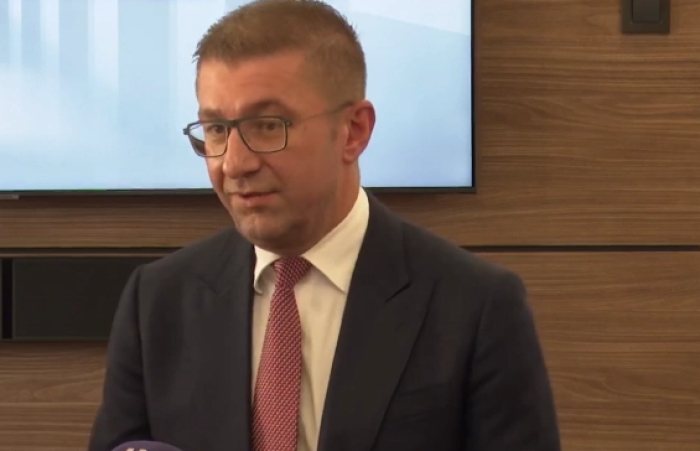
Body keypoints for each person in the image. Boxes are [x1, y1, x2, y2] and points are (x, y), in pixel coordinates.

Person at [87, 1, 561, 450]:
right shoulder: (157, 301)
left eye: (267, 125)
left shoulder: (475, 306)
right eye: (215, 130)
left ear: (354, 131)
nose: (233, 164)